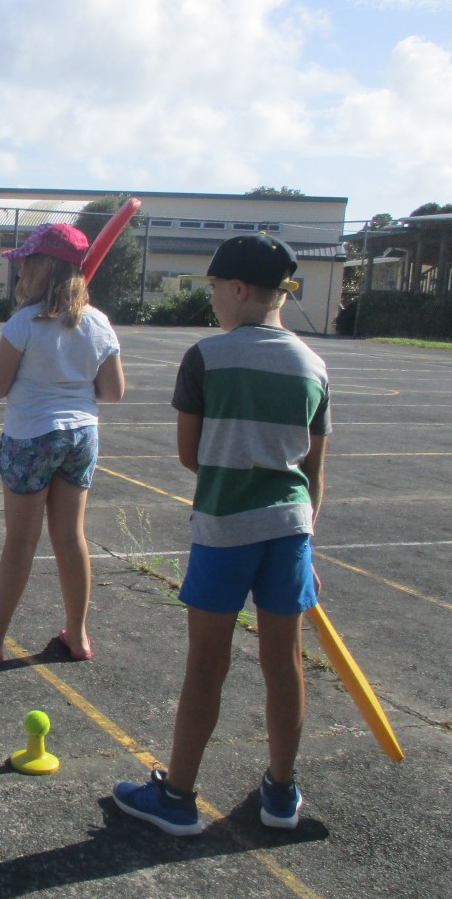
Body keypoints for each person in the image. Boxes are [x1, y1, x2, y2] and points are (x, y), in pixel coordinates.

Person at [112, 233, 330, 836]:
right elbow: (313, 470)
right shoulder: (313, 365)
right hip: (290, 529)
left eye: (213, 288)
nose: (212, 299)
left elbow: (191, 455)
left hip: (224, 527)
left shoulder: (206, 356)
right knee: (284, 662)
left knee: (207, 663)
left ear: (237, 288)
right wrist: (306, 542)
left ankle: (177, 796)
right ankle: (281, 794)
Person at [0, 224, 125, 666]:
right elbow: (113, 390)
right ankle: (78, 635)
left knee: (21, 541)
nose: (21, 270)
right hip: (81, 435)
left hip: (31, 436)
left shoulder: (25, 322)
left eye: (27, 262)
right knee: (71, 536)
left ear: (45, 265)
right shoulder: (98, 322)